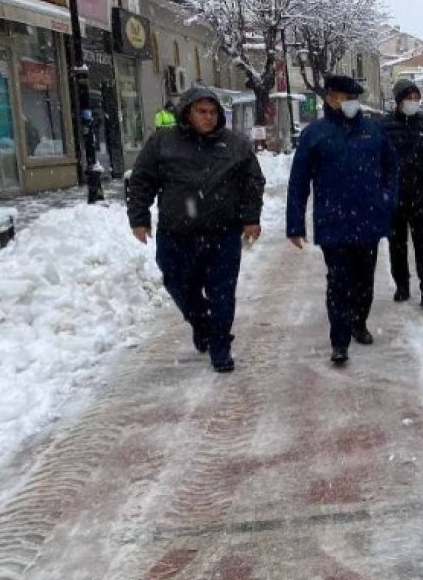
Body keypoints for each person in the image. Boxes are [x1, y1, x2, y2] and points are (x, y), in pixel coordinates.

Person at [127, 87, 265, 373]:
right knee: (177, 284)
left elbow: (253, 183)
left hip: (222, 234)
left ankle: (220, 347)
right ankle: (201, 322)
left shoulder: (235, 145)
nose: (208, 117)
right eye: (202, 112)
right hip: (177, 234)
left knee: (222, 293)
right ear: (187, 113)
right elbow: (141, 180)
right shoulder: (163, 142)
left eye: (213, 112)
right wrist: (139, 218)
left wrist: (251, 218)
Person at [286, 75, 399, 365]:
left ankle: (359, 322)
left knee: (364, 279)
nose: (350, 103)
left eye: (353, 98)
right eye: (344, 97)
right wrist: (295, 224)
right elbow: (299, 181)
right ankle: (339, 341)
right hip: (333, 222)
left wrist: (387, 199)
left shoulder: (372, 131)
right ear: (329, 98)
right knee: (338, 281)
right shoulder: (316, 134)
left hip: (368, 219)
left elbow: (391, 168)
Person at [381, 79, 423, 307]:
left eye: (416, 99)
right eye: (409, 99)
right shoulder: (385, 127)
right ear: (398, 101)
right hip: (395, 197)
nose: (413, 103)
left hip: (422, 196)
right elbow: (377, 162)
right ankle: (402, 285)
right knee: (397, 245)